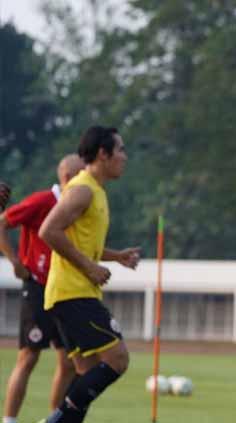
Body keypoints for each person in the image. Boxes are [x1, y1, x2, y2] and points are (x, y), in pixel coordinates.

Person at [38, 126, 140, 423]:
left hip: (73, 292)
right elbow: (49, 231)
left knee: (86, 370)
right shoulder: (82, 189)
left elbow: (82, 242)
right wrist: (89, 267)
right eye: (120, 150)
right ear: (102, 154)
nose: (125, 157)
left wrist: (116, 257)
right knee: (118, 359)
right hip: (72, 293)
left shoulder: (97, 191)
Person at [0, 156, 84, 423]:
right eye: (84, 175)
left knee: (69, 362)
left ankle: (53, 420)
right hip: (38, 286)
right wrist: (14, 261)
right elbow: (2, 222)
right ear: (70, 176)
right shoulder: (42, 201)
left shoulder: (77, 207)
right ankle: (9, 420)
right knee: (28, 356)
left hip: (64, 290)